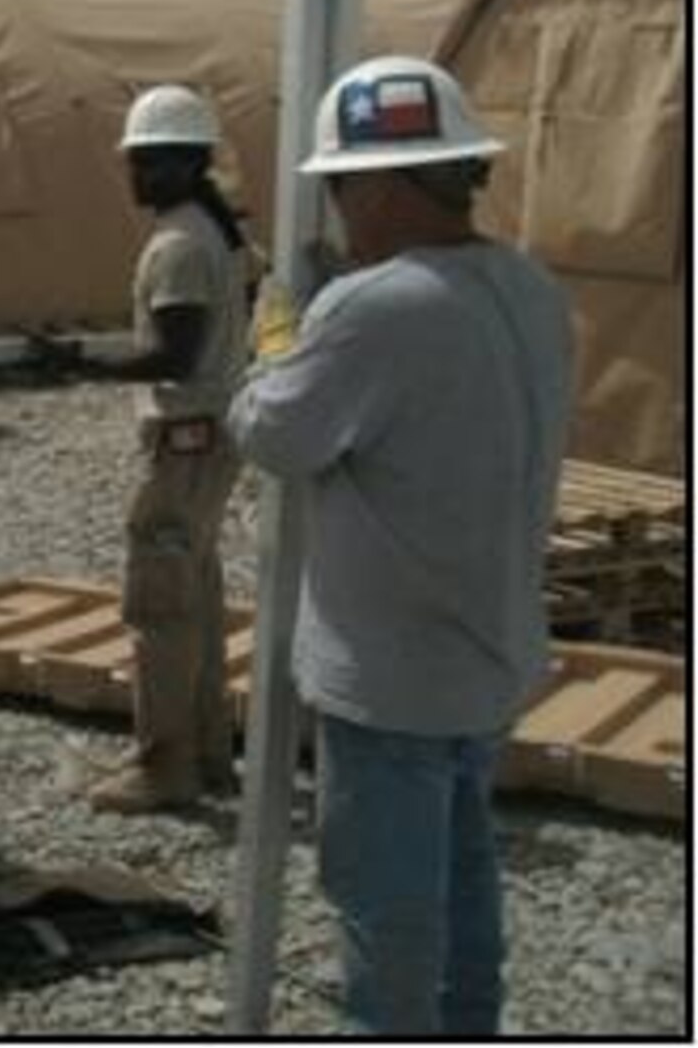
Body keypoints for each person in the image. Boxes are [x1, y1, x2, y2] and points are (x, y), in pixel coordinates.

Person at [227, 55, 572, 1036]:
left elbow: (273, 433)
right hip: (483, 657)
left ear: (378, 183)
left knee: (385, 919)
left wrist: (274, 334)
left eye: (338, 185)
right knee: (463, 897)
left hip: (389, 679)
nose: (335, 209)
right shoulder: (525, 285)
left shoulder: (374, 307)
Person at [42, 84, 256, 814]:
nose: (138, 174)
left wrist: (75, 364)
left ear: (190, 163)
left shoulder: (177, 245)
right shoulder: (214, 232)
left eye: (153, 162)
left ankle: (164, 766)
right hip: (211, 440)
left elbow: (176, 355)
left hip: (187, 440)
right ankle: (205, 755)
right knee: (193, 598)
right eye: (137, 160)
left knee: (160, 602)